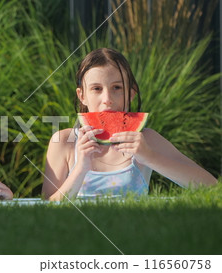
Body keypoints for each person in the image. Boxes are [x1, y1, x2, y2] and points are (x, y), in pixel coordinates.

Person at [42, 48, 217, 201]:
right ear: (82, 96)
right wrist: (80, 168)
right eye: (96, 89)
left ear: (131, 93)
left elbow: (211, 186)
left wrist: (149, 157)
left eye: (117, 87)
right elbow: (46, 206)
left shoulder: (147, 140)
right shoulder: (64, 142)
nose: (107, 100)